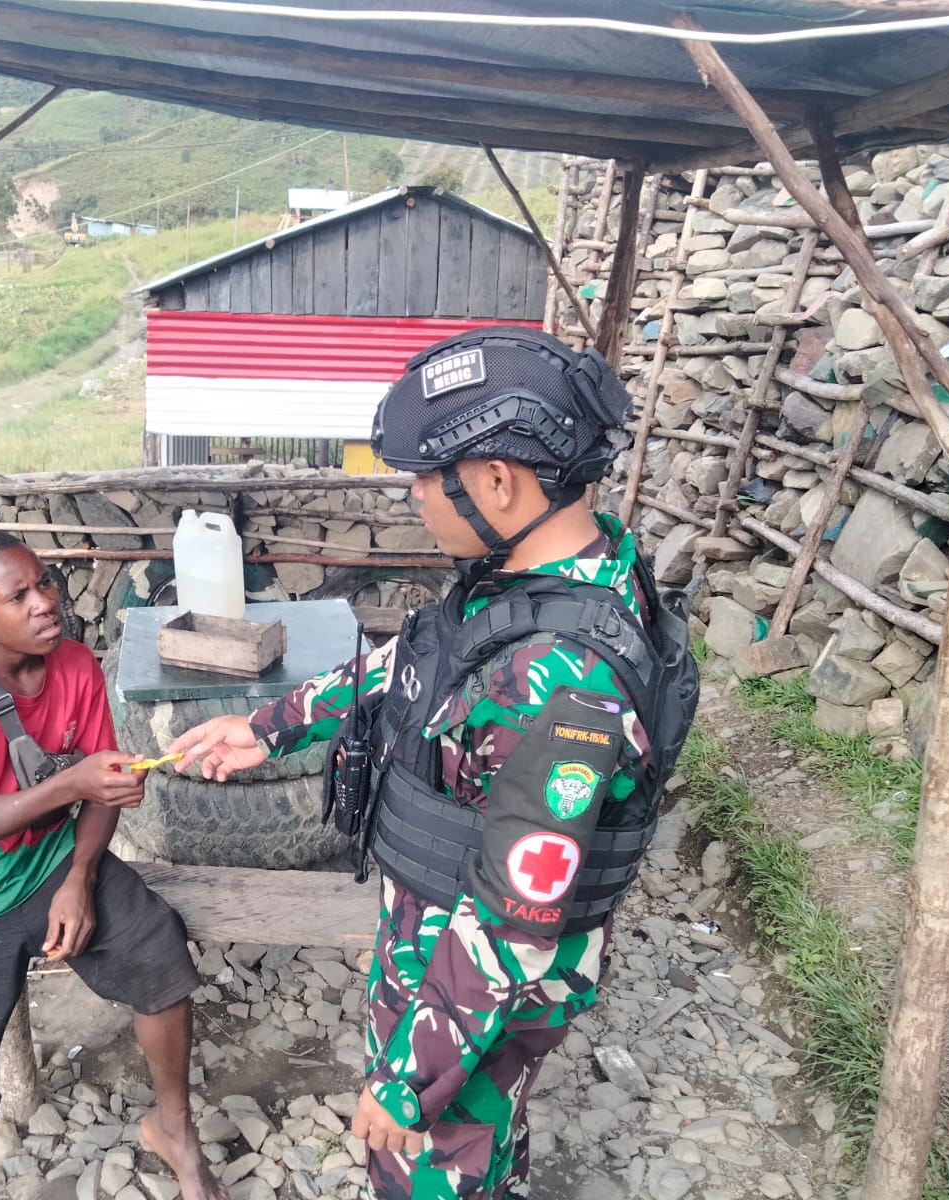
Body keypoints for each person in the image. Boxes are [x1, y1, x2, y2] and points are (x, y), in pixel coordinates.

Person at [169, 328, 696, 1200]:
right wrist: (272, 727)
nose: (415, 495)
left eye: (425, 475)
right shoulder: (543, 574)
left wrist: (409, 1078)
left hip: (474, 970)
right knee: (483, 1140)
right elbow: (422, 665)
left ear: (497, 480)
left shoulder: (568, 673)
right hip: (445, 939)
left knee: (426, 1165)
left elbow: (517, 912)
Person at [0, 530, 228, 1200]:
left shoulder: (74, 666)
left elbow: (103, 791)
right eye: (19, 595)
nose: (45, 603)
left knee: (157, 950)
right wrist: (73, 786)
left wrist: (78, 878)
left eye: (45, 583)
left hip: (43, 864)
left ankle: (174, 1130)